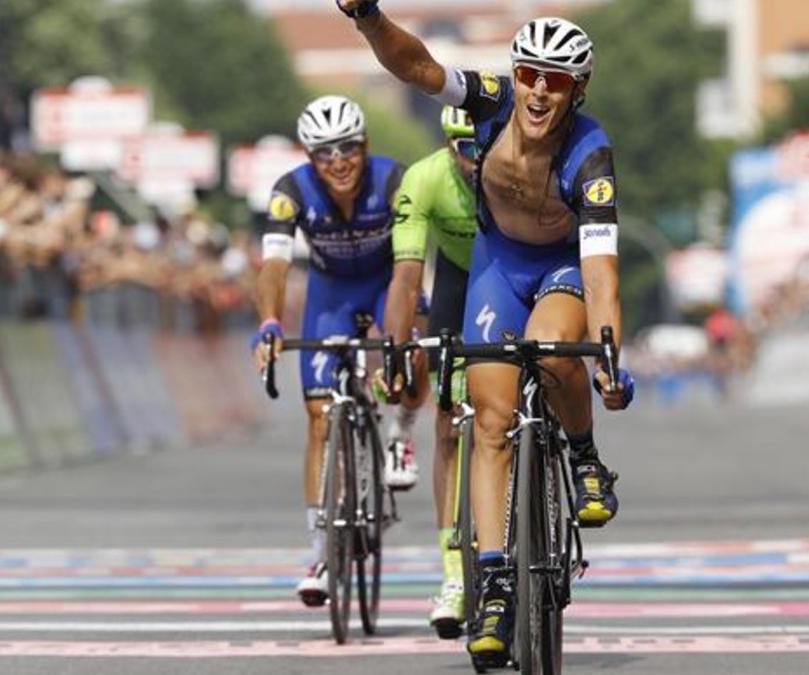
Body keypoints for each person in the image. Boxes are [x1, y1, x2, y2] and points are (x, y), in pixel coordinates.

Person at [335, 4, 634, 666]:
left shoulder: (591, 153)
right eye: (529, 73)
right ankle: (494, 580)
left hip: (559, 267)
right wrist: (367, 19)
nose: (537, 91)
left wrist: (609, 350)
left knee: (558, 353)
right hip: (498, 266)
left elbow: (601, 269)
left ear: (577, 90)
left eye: (555, 81)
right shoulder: (490, 102)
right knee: (491, 418)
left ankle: (584, 457)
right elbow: (416, 66)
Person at [250, 94, 421, 607]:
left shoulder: (395, 182)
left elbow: (413, 263)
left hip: (387, 280)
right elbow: (275, 267)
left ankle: (401, 433)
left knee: (408, 355)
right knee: (319, 415)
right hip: (331, 294)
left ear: (365, 145)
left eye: (347, 148)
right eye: (324, 152)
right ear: (308, 156)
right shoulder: (290, 191)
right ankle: (322, 549)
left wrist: (400, 332)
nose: (338, 161)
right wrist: (270, 323)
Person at [382, 105, 480, 639]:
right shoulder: (424, 179)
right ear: (448, 145)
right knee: (447, 420)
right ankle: (452, 575)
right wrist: (397, 355)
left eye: (483, 144)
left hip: (509, 272)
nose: (476, 159)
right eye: (465, 149)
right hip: (457, 282)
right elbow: (405, 278)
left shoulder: (512, 166)